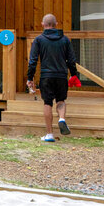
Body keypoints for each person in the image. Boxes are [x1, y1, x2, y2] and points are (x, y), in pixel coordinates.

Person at [25, 13, 80, 142]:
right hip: (61, 75)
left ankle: (49, 134)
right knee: (61, 101)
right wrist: (73, 75)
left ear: (42, 25)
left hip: (46, 76)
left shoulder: (39, 40)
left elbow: (32, 61)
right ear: (56, 25)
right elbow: (71, 60)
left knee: (47, 102)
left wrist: (29, 78)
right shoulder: (65, 39)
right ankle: (62, 119)